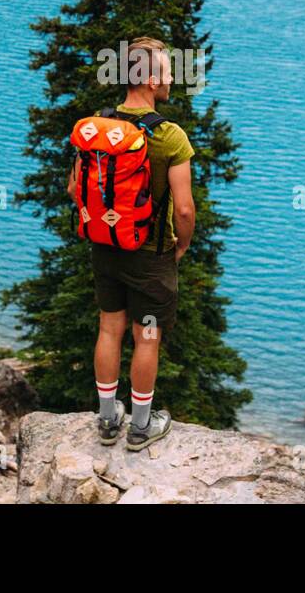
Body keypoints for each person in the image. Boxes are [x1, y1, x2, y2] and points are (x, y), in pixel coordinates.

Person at [68, 37, 195, 450]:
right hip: (150, 255)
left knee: (109, 328)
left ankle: (107, 421)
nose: (174, 77)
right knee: (148, 336)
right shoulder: (170, 136)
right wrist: (180, 246)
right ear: (152, 78)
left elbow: (74, 188)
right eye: (169, 70)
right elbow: (186, 210)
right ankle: (141, 427)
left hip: (105, 246)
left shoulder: (97, 127)